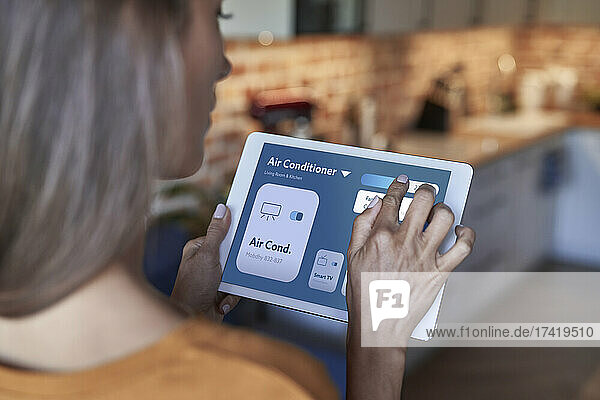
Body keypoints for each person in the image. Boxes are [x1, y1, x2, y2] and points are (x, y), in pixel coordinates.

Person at [0, 0, 475, 398]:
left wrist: (185, 310)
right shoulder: (262, 386)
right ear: (142, 49)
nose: (224, 63)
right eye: (217, 17)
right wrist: (380, 340)